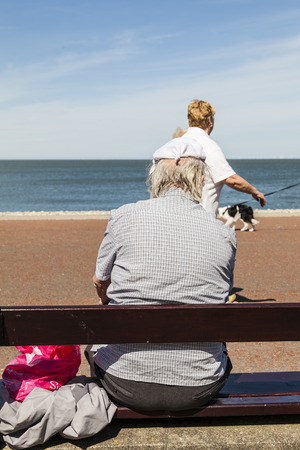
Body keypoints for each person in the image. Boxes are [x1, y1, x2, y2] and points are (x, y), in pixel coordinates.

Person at [87, 139, 236, 412]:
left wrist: (107, 298)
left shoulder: (124, 216)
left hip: (123, 382)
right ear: (201, 180)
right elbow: (221, 291)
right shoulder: (224, 233)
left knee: (97, 332)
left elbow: (100, 281)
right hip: (200, 385)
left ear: (155, 177)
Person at [173, 100, 266, 216]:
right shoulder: (208, 146)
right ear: (210, 121)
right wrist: (254, 191)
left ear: (189, 121)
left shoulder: (174, 144)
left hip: (175, 216)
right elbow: (231, 180)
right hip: (201, 219)